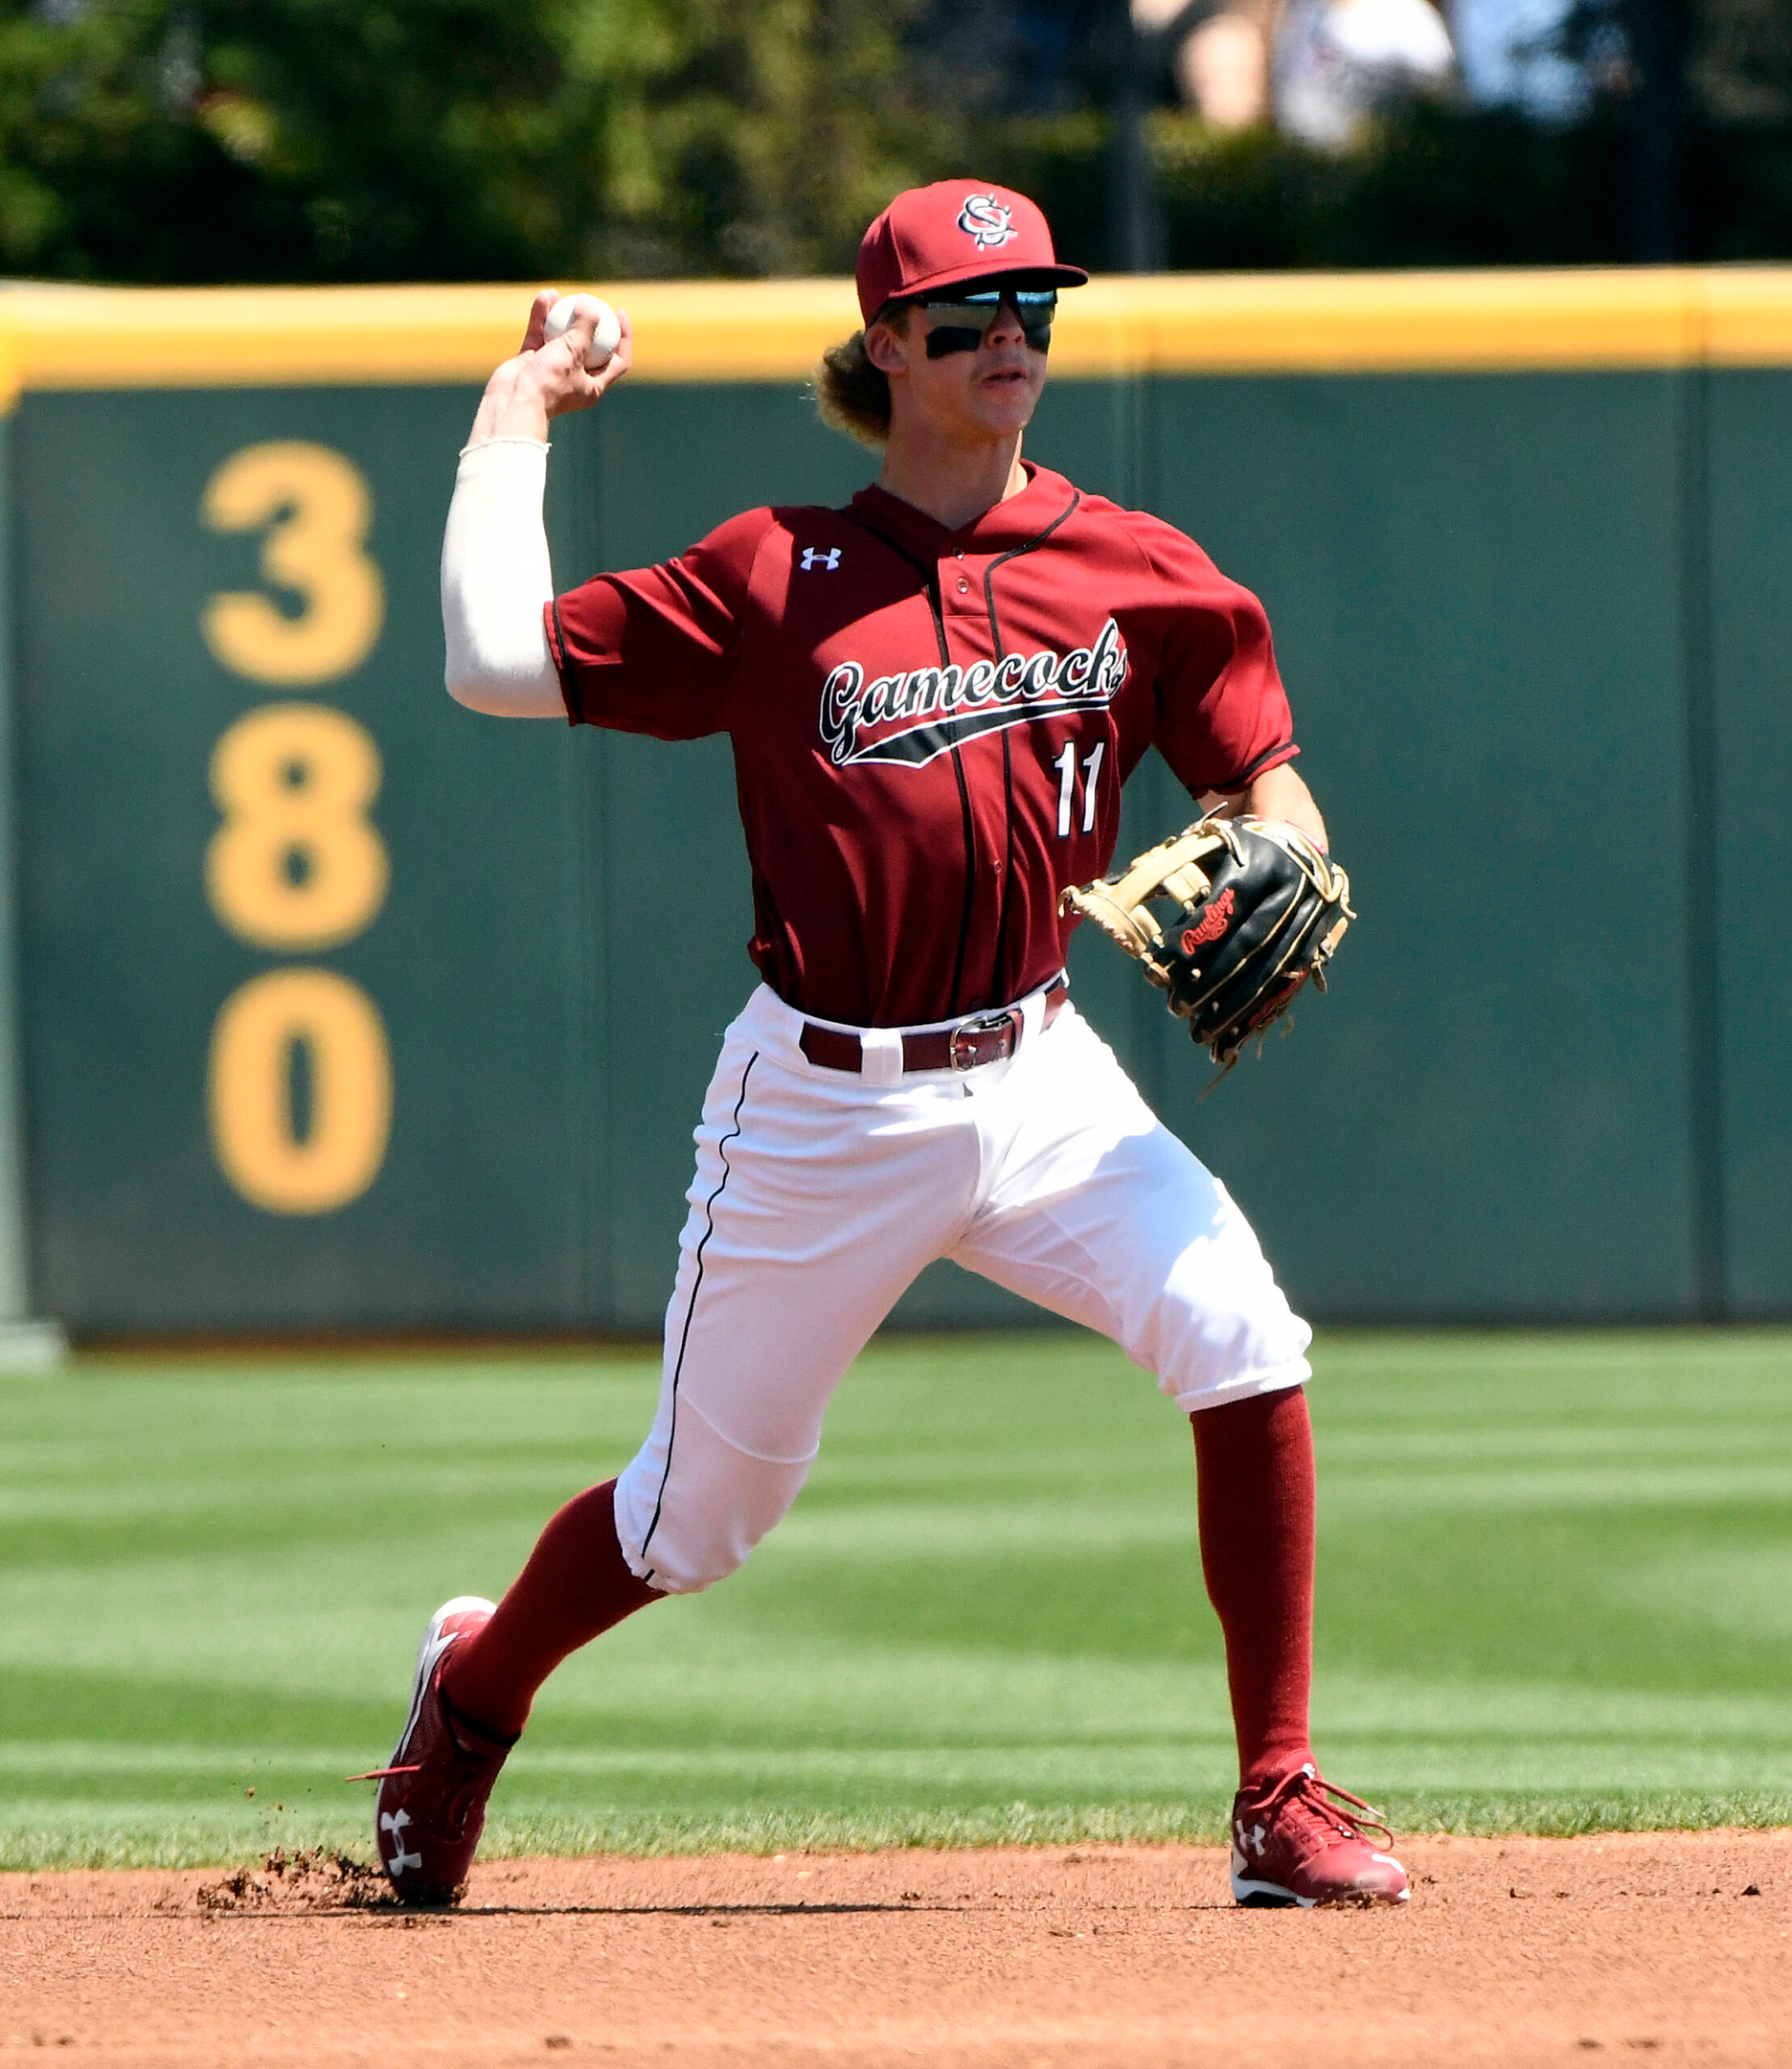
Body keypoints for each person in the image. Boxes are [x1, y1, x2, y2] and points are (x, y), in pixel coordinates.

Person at [363, 180, 1409, 1911]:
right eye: (968, 313)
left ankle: (1275, 1798)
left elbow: (1253, 767)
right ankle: (472, 1695)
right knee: (695, 1525)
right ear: (886, 344)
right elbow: (489, 664)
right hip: (822, 1103)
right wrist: (514, 409)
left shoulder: (1132, 566)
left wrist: (1280, 835)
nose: (1011, 337)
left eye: (1035, 310)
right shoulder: (771, 574)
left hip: (1040, 1071)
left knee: (1242, 1333)